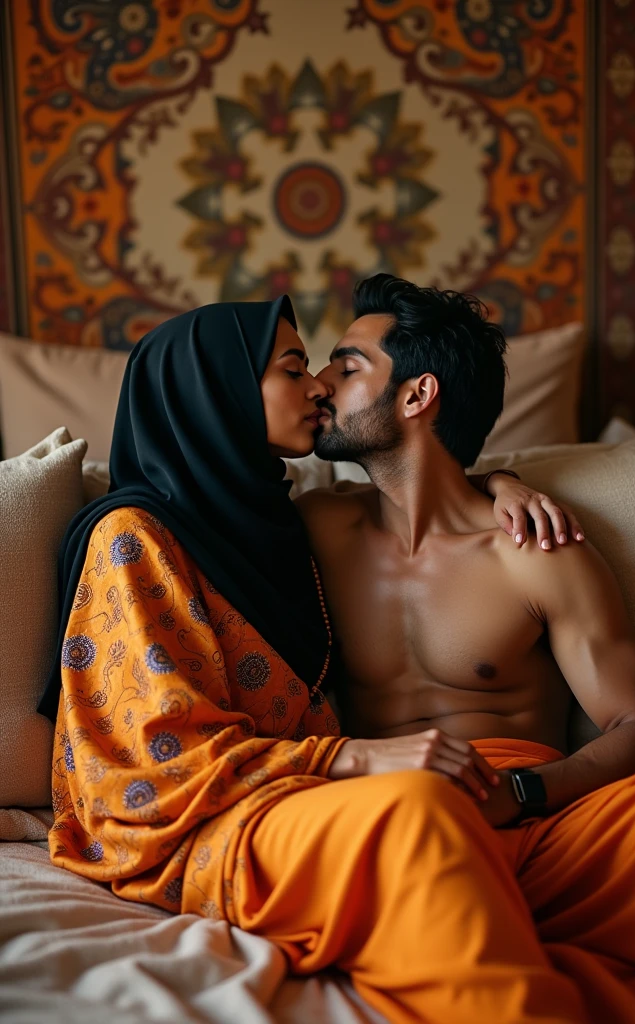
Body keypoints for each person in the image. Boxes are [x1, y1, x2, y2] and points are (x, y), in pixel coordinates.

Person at [40, 296, 584, 1024]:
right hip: (211, 818)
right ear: (221, 388)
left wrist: (495, 485)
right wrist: (355, 759)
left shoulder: (275, 526)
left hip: (360, 796)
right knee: (419, 811)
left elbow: (416, 489)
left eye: (326, 367)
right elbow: (152, 762)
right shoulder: (133, 537)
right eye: (293, 368)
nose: (319, 386)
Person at [296, 274, 635, 1023]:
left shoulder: (533, 549)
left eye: (346, 368)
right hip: (402, 819)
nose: (320, 383)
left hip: (540, 821)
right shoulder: (314, 531)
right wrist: (499, 478)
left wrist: (521, 796)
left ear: (417, 396)